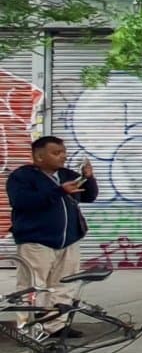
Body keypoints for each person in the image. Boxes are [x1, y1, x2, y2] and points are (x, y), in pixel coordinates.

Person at [6, 135, 98, 337]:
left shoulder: (66, 175)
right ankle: (28, 327)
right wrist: (58, 192)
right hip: (36, 241)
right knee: (32, 286)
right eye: (56, 153)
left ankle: (56, 325)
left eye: (63, 152)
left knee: (64, 285)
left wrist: (88, 178)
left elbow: (89, 196)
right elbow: (22, 202)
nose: (62, 157)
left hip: (68, 241)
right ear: (39, 156)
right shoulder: (22, 177)